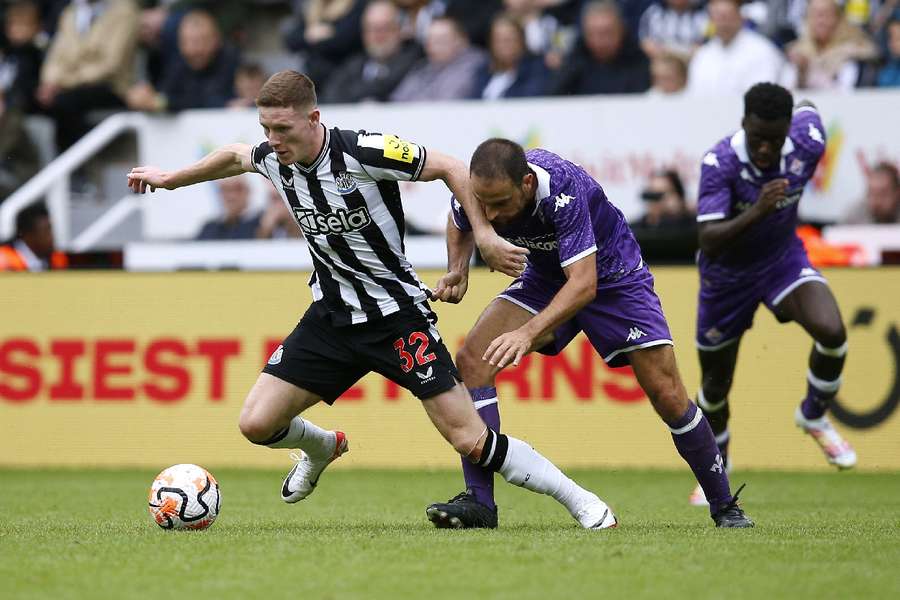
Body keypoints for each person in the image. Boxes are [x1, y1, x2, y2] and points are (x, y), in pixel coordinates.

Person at [127, 70, 617, 530]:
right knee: (255, 423)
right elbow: (235, 155)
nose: (273, 140)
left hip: (398, 320)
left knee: (469, 439)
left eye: (282, 128)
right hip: (332, 318)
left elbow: (449, 166)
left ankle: (582, 502)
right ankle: (321, 448)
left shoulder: (364, 150)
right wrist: (170, 178)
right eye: (266, 128)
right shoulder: (275, 159)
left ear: (313, 118)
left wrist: (484, 237)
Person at [425, 138, 753, 529]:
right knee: (473, 362)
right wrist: (458, 269)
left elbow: (584, 285)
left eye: (500, 203)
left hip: (615, 278)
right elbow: (459, 217)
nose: (491, 214)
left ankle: (724, 506)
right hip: (545, 277)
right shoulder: (484, 189)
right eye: (485, 203)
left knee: (668, 395)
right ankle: (480, 504)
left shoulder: (560, 186)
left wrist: (527, 333)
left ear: (527, 184)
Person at [689, 82, 855, 506]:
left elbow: (810, 107)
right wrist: (760, 209)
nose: (766, 150)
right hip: (726, 279)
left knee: (833, 331)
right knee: (714, 386)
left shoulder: (807, 141)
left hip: (782, 261)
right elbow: (709, 239)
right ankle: (716, 466)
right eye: (758, 138)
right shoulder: (720, 162)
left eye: (775, 140)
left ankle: (814, 414)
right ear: (744, 123)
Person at [36, 0, 139, 151]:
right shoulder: (71, 12)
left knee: (65, 102)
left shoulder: (125, 11)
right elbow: (56, 54)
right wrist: (49, 82)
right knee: (29, 99)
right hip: (69, 86)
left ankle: (73, 165)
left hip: (112, 87)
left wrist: (64, 83)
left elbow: (111, 64)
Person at [126, 9, 239, 112]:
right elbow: (165, 94)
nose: (193, 50)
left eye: (199, 42)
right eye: (186, 42)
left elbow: (209, 100)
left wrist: (161, 103)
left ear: (216, 40)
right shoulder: (180, 65)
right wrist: (146, 97)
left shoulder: (231, 62)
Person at [319, 0, 422, 104]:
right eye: (371, 29)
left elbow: (385, 86)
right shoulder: (353, 65)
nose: (378, 36)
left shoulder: (414, 62)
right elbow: (329, 95)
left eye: (385, 28)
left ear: (399, 30)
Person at [688, 0, 791, 96]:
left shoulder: (761, 50)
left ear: (740, 17)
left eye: (727, 16)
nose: (723, 23)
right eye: (717, 17)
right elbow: (695, 94)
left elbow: (763, 95)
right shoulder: (703, 55)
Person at [550, 0, 651, 96]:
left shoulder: (639, 62)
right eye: (592, 33)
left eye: (607, 33)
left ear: (621, 29)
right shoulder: (574, 62)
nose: (600, 41)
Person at [786, 0, 878, 91]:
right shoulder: (798, 52)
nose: (820, 21)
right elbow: (789, 91)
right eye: (815, 15)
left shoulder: (853, 53)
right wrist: (801, 73)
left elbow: (847, 94)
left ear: (838, 18)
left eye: (826, 15)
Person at [390, 16, 487, 102]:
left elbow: (446, 102)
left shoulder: (473, 65)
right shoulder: (424, 66)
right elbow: (398, 99)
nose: (432, 47)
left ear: (461, 41)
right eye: (430, 41)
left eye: (441, 40)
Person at [470, 14, 548, 99]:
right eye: (498, 40)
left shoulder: (536, 69)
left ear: (522, 40)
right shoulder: (483, 72)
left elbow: (528, 100)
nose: (504, 45)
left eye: (509, 39)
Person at [0, 202, 68, 271]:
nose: (52, 236)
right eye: (46, 231)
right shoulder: (5, 260)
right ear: (28, 235)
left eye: (51, 230)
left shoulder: (57, 259)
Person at [194, 175, 260, 240]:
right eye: (225, 190)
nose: (231, 196)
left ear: (248, 191)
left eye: (237, 189)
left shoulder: (261, 223)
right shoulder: (209, 228)